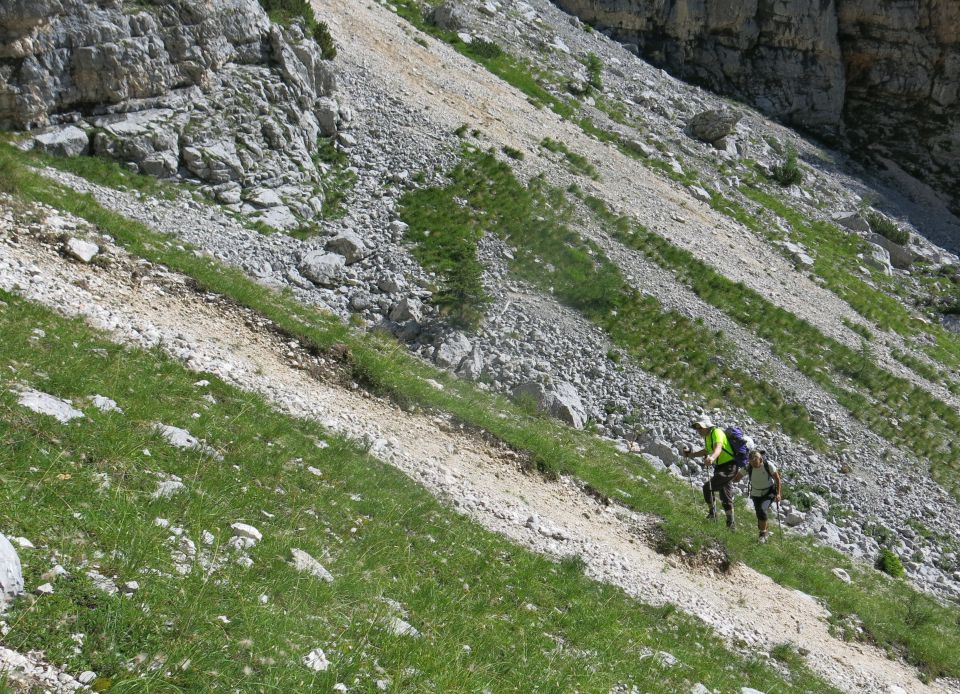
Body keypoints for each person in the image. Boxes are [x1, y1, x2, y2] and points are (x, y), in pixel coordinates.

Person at [682, 415, 737, 528]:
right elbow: (707, 451)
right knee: (725, 496)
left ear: (706, 426)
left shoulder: (716, 432)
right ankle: (731, 525)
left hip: (729, 467)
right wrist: (691, 455)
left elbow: (718, 448)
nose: (698, 430)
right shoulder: (708, 436)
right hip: (721, 467)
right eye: (697, 428)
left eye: (700, 427)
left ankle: (713, 515)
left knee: (708, 487)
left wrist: (711, 458)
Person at [735, 449, 782, 543]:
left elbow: (777, 479)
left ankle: (762, 535)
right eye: (752, 463)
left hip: (769, 491)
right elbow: (737, 478)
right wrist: (728, 479)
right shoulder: (748, 467)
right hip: (755, 493)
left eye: (755, 462)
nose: (754, 465)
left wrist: (778, 493)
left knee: (762, 510)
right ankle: (765, 531)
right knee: (759, 514)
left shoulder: (768, 465)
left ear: (760, 459)